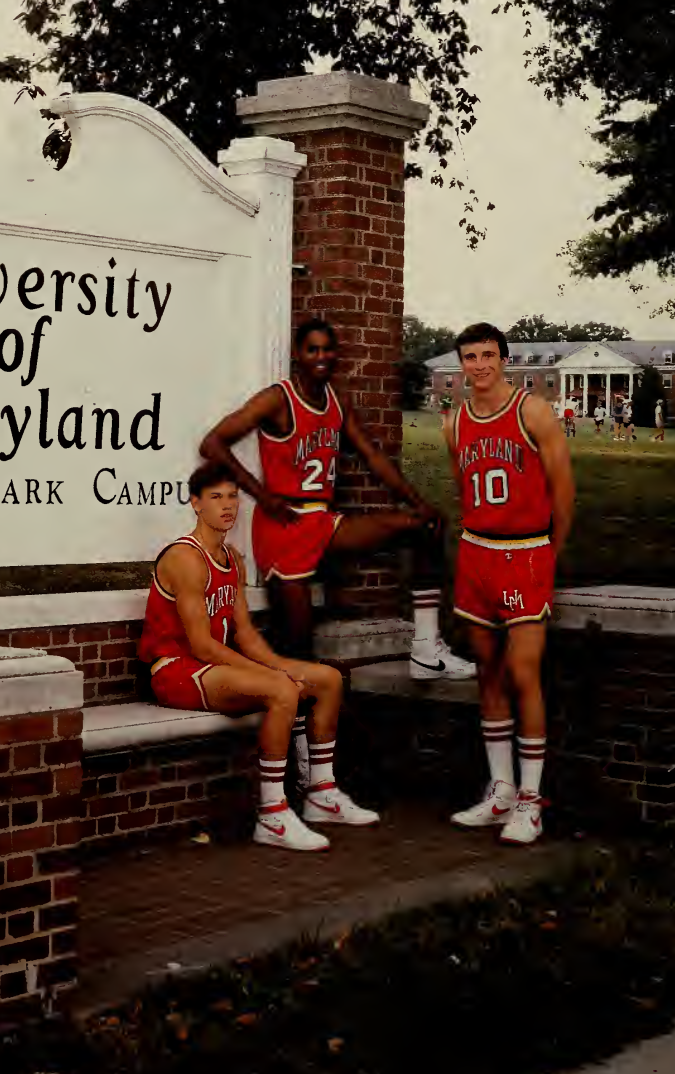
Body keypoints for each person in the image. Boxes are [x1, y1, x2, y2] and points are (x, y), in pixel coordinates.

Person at [199, 319, 475, 685]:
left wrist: (417, 502)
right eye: (312, 349)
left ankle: (426, 650)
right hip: (284, 527)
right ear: (298, 354)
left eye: (327, 349)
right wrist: (263, 496)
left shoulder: (335, 401)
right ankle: (295, 738)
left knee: (425, 525)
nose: (321, 356)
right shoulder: (278, 399)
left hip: (322, 522)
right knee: (297, 652)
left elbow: (372, 457)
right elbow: (213, 443)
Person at [137, 461, 379, 852]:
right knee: (282, 691)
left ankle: (321, 793)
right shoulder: (185, 558)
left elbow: (245, 634)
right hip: (176, 670)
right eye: (216, 497)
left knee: (328, 680)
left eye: (233, 496)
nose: (227, 505)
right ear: (196, 504)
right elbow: (201, 644)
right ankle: (273, 815)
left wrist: (282, 666)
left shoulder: (233, 559)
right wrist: (277, 678)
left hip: (214, 667)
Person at [443, 322, 575, 845]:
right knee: (488, 672)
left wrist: (548, 553)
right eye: (470, 357)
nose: (479, 365)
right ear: (461, 363)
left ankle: (531, 801)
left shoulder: (532, 411)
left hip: (525, 553)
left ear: (504, 359)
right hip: (477, 553)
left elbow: (563, 492)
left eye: (488, 355)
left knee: (524, 672)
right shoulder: (453, 423)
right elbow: (463, 490)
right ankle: (499, 791)